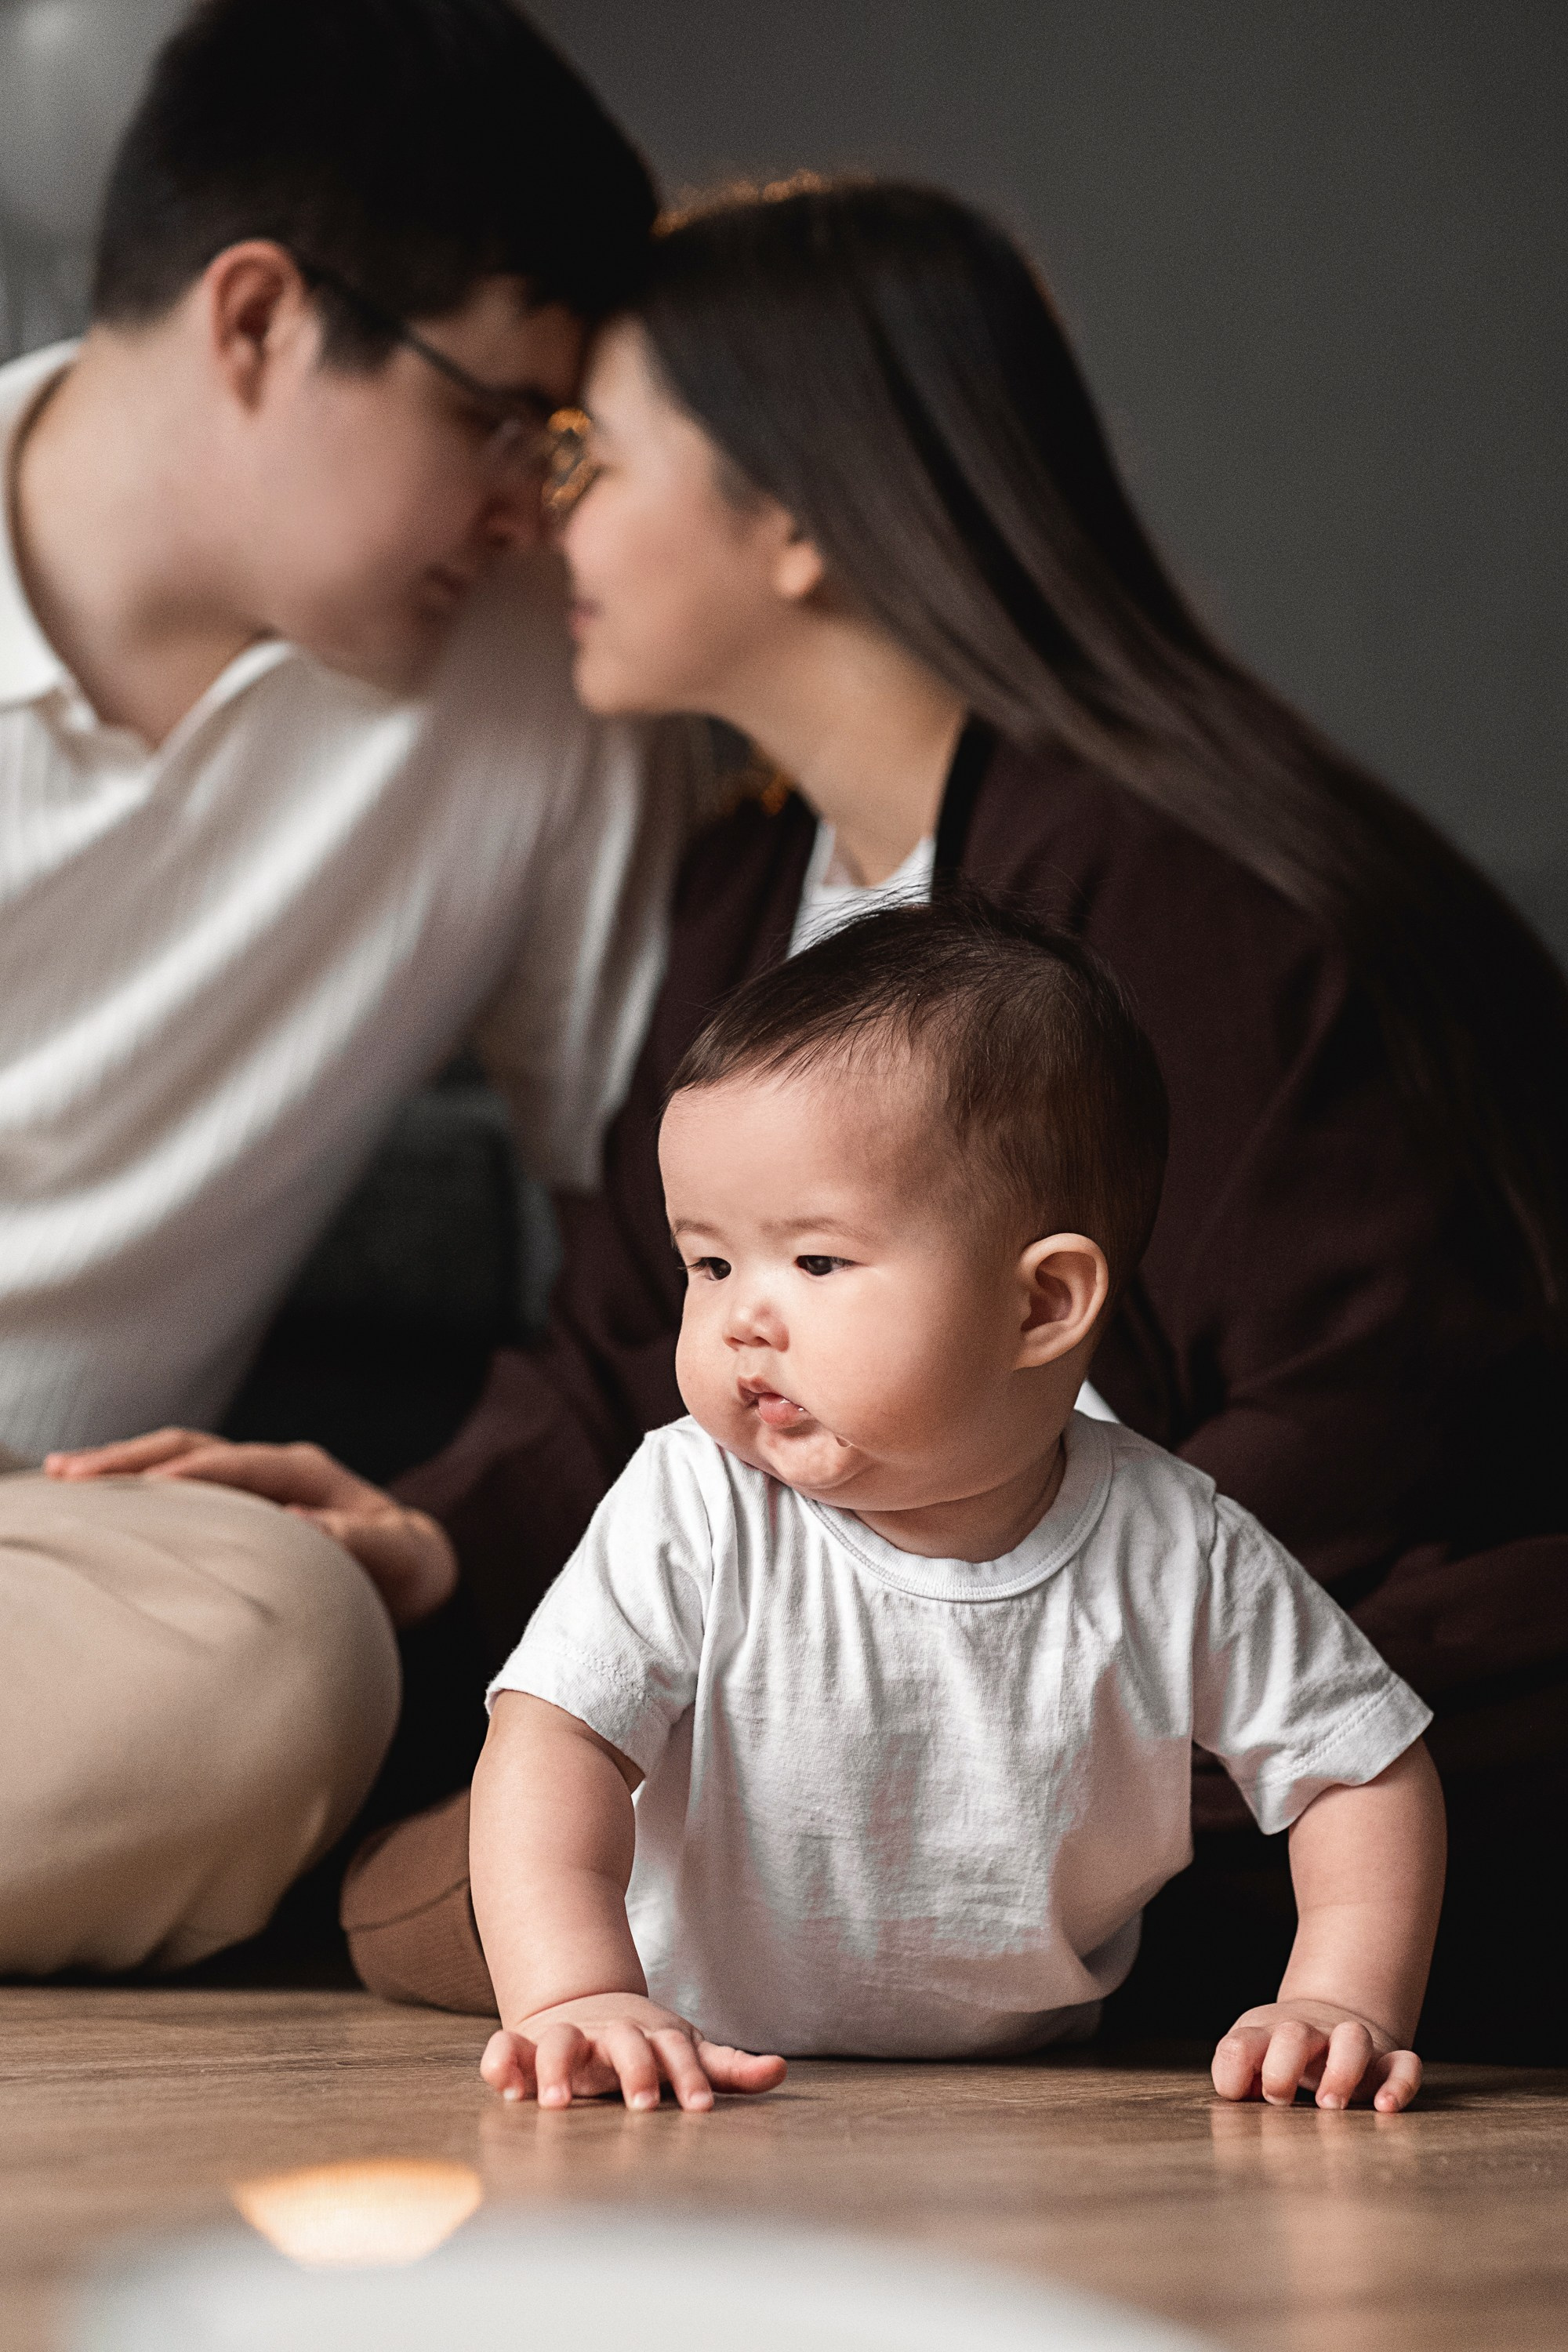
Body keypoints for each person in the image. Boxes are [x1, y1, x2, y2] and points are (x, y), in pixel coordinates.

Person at [60, 180, 1568, 2056]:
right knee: (455, 1839)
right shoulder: (736, 898)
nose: (540, 514)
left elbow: (1358, 1418)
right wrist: (419, 1532)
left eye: (592, 455)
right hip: (857, 1672)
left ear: (793, 512)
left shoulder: (1182, 889)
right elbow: (627, 1338)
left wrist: (978, 1686)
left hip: (1178, 1693)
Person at [0, 0, 702, 1979]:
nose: (529, 503)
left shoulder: (537, 703)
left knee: (288, 1655)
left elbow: (637, 1237)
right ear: (256, 321)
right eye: (496, 417)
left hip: (53, 1577)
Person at [471, 899, 1445, 2114]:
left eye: (814, 1262)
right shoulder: (699, 1499)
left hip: (1028, 2097)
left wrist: (1341, 1995)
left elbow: (1362, 1769)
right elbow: (554, 1738)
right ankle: (427, 1909)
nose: (738, 1318)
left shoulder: (1171, 1543)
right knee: (460, 1892)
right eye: (709, 1262)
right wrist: (574, 1992)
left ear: (1042, 1306)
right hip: (700, 2050)